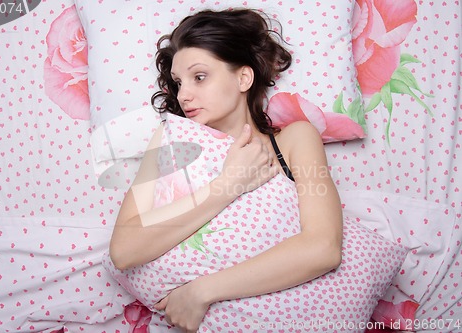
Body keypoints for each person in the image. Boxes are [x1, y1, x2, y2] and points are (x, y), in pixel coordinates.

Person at [109, 8, 343, 332]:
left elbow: (323, 248)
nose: (184, 94)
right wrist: (227, 186)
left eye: (199, 77)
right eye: (178, 83)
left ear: (243, 78)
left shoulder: (293, 141)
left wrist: (201, 292)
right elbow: (123, 251)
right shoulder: (168, 143)